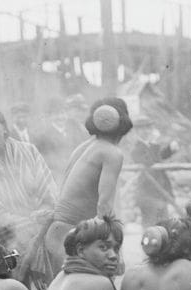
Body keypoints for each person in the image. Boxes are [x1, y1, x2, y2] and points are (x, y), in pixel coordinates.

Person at [44, 98, 133, 271]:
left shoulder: (84, 147)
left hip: (57, 233)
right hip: (73, 238)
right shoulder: (112, 153)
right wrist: (115, 252)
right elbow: (104, 207)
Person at [0, 105, 56, 273]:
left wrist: (42, 213)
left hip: (43, 224)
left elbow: (48, 190)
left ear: (4, 129)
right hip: (10, 235)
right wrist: (26, 221)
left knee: (53, 280)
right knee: (17, 280)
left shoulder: (29, 151)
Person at [131, 116, 178, 227]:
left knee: (164, 226)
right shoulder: (136, 149)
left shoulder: (150, 146)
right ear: (137, 131)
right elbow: (150, 162)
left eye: (148, 128)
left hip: (160, 192)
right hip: (147, 194)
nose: (147, 131)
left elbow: (159, 157)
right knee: (150, 227)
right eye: (143, 128)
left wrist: (170, 150)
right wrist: (154, 143)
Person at [33, 96, 89, 184]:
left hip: (76, 175)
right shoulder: (43, 136)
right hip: (55, 178)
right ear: (49, 116)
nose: (60, 117)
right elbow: (42, 160)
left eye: (63, 113)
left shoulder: (75, 130)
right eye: (56, 114)